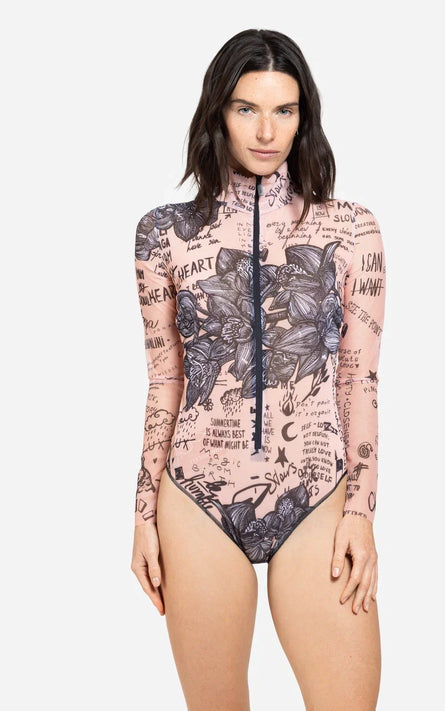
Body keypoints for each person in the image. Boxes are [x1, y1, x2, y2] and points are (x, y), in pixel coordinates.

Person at [131, 28, 386, 711]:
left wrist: (360, 514)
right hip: (194, 495)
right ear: (218, 112)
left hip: (315, 491)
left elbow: (358, 380)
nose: (266, 131)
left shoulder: (349, 228)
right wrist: (144, 514)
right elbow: (165, 379)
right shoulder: (161, 233)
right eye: (247, 108)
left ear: (304, 118)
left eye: (284, 110)